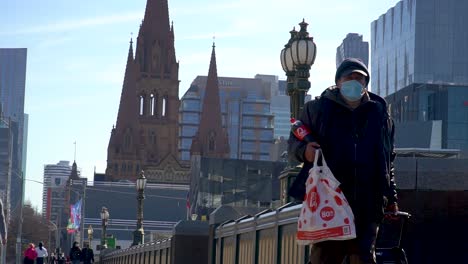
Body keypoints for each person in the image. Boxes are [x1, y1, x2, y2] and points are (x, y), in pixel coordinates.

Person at [288, 58, 398, 264]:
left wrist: (391, 198)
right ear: (338, 81)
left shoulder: (380, 113)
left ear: (366, 83)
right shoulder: (317, 109)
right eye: (349, 77)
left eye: (360, 78)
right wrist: (305, 152)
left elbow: (388, 158)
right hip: (328, 198)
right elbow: (293, 145)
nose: (354, 81)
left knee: (364, 256)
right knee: (325, 256)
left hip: (368, 200)